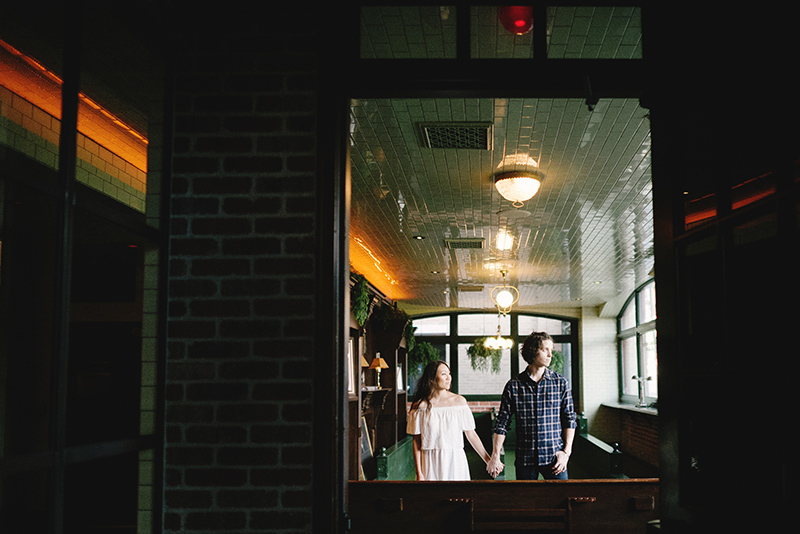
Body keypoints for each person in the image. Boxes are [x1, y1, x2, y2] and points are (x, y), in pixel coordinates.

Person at [487, 331, 577, 480]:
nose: (550, 355)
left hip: (555, 458)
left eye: (551, 350)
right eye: (545, 350)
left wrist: (566, 453)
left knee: (561, 499)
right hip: (525, 459)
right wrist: (495, 456)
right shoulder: (514, 386)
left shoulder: (560, 383)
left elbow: (570, 419)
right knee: (525, 502)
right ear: (533, 351)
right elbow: (502, 424)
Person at [406, 360, 497, 480]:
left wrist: (488, 460)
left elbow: (471, 435)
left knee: (458, 497)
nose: (448, 378)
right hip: (429, 461)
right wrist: (419, 473)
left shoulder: (459, 402)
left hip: (455, 460)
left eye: (449, 374)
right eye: (444, 374)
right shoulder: (420, 407)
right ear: (431, 379)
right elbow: (416, 441)